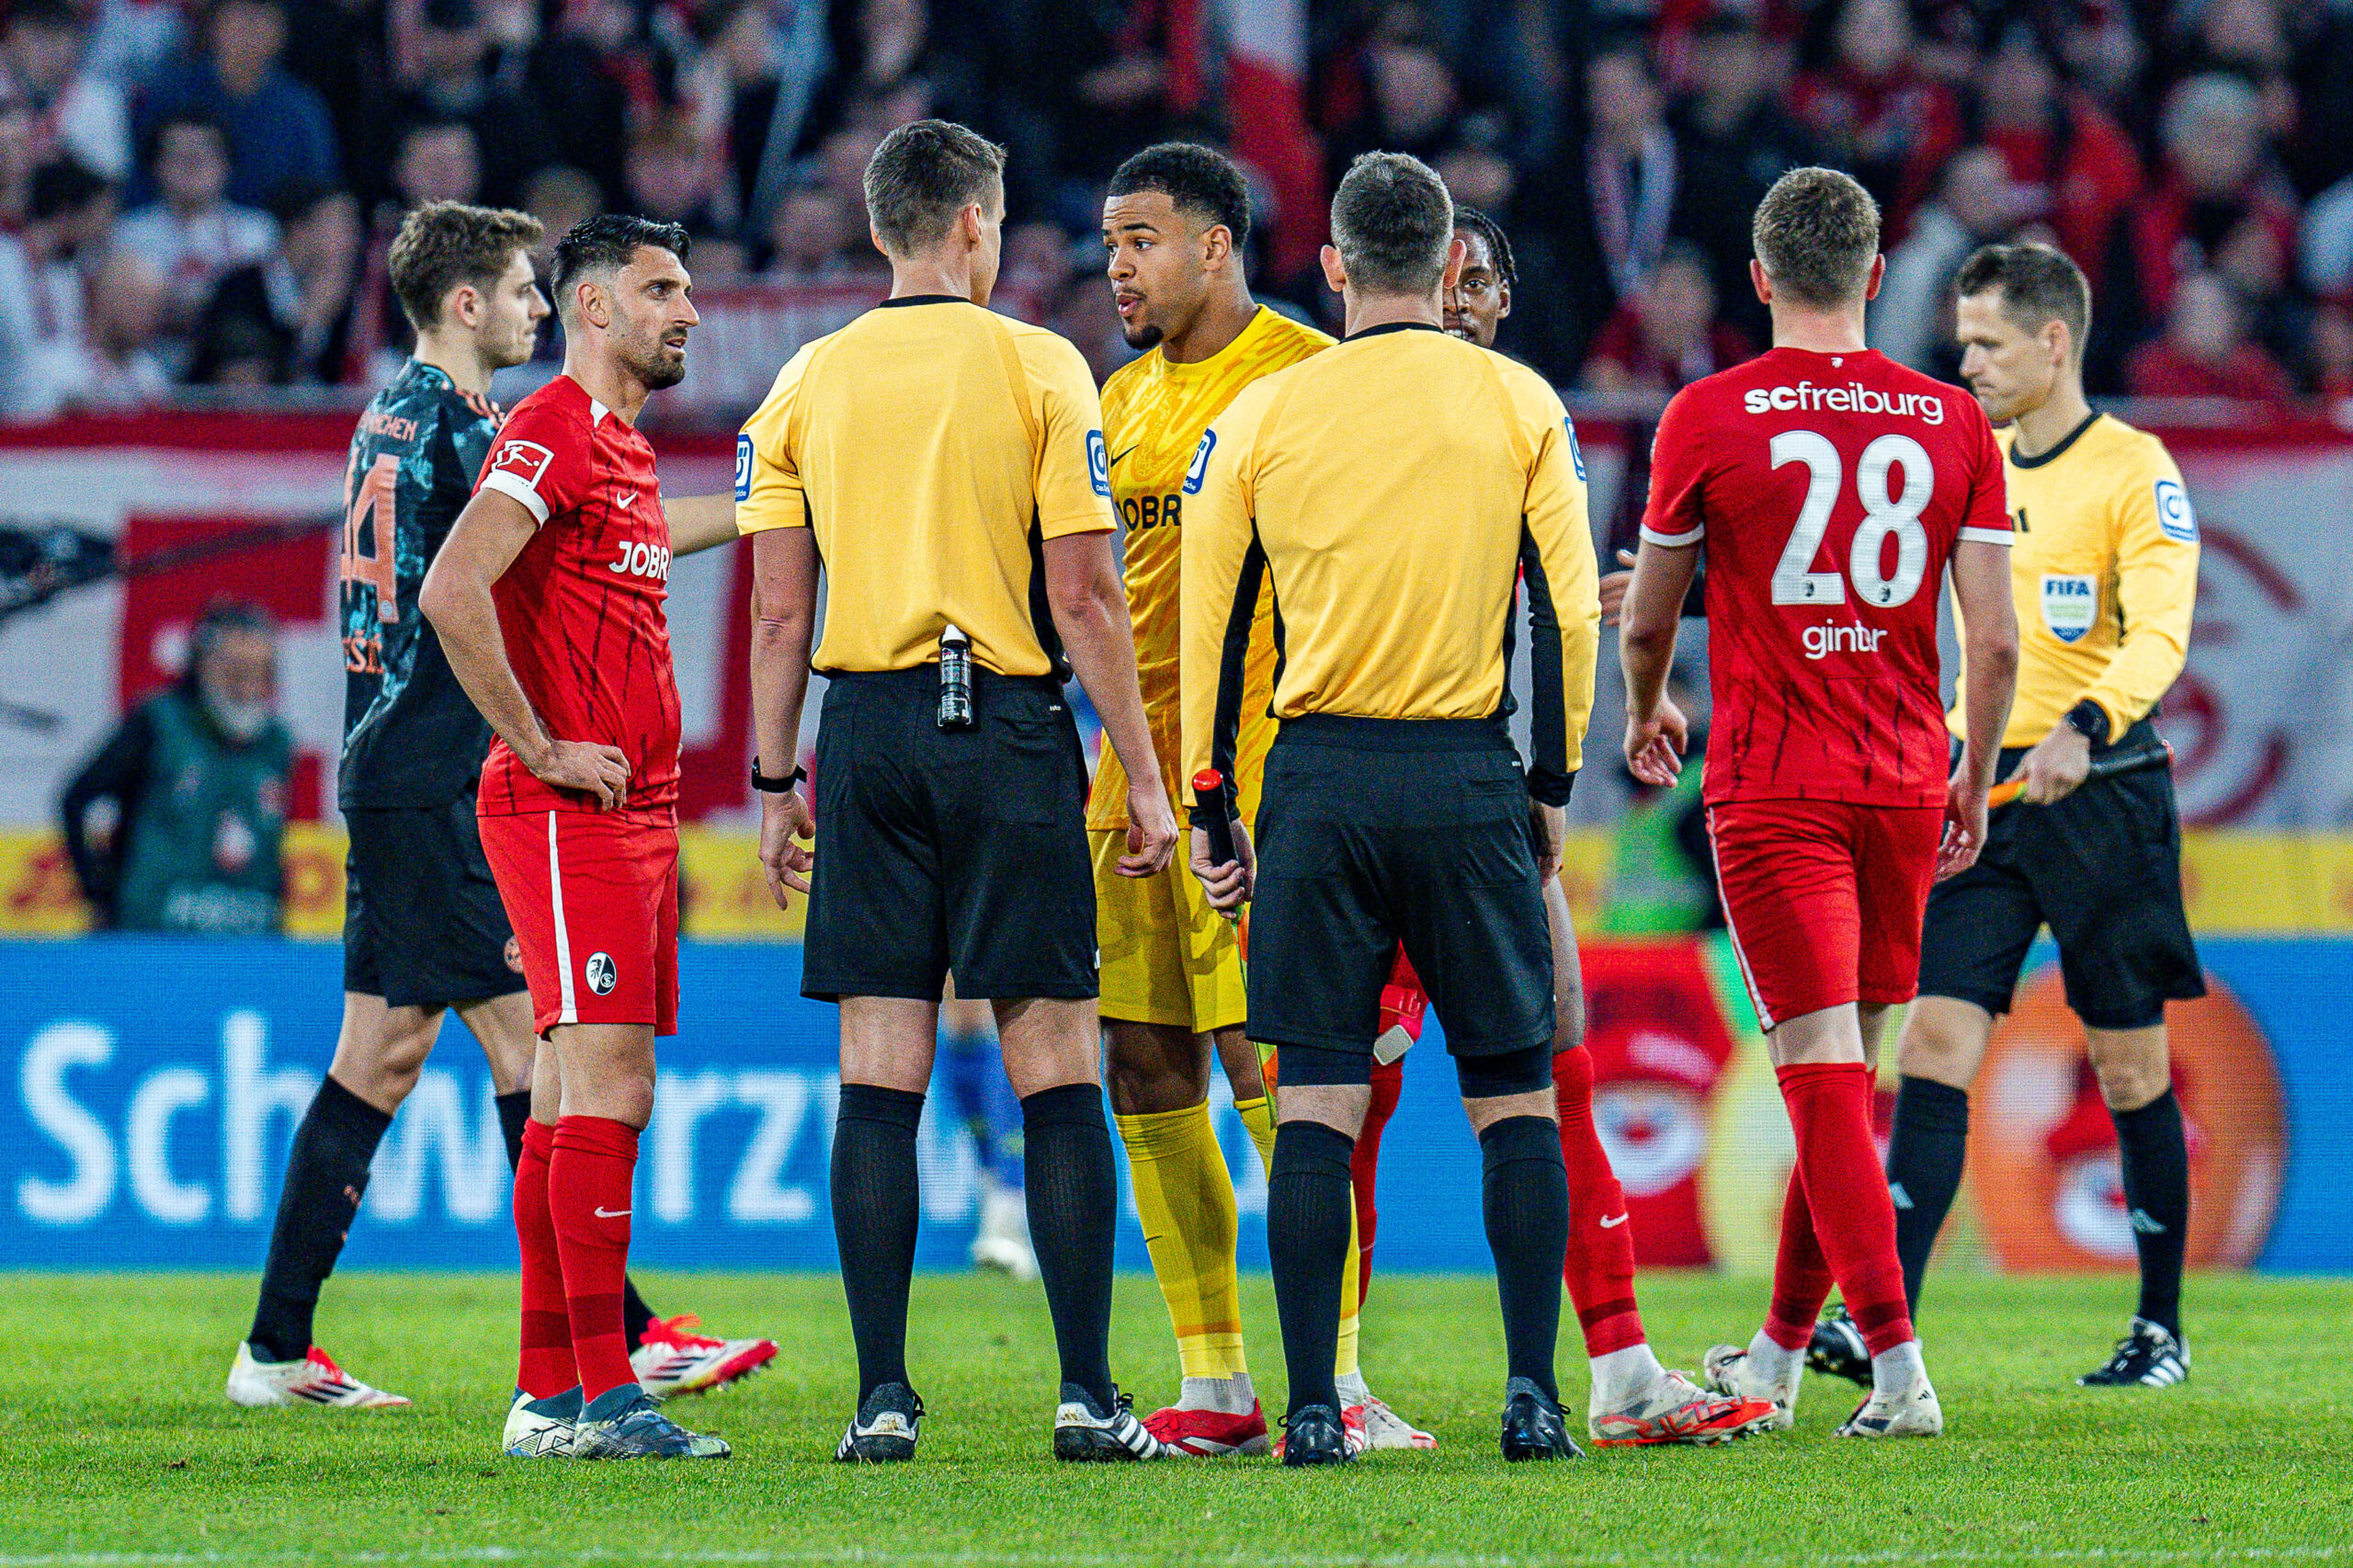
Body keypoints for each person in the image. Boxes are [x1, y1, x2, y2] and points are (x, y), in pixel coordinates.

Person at [225, 202, 771, 1418]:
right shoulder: (491, 431)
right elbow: (493, 575)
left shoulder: (384, 414)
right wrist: (535, 737)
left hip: (387, 754)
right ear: (464, 305)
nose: (535, 308)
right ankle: (606, 1344)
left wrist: (755, 505)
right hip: (439, 767)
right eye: (523, 291)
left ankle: (275, 1344)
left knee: (382, 1052)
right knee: (548, 1047)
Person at [736, 119, 1178, 1465]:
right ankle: (1089, 1396)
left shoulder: (803, 381)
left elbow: (772, 609)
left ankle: (880, 1393)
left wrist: (773, 778)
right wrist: (1146, 778)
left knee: (879, 1071)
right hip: (1008, 726)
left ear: (880, 230)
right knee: (1055, 1063)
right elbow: (1086, 594)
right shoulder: (1044, 365)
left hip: (864, 730)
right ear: (977, 224)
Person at [1181, 151, 1599, 1466]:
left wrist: (1209, 797)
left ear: (1336, 268)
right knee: (1515, 1093)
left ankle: (1312, 1404)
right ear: (1451, 270)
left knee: (1314, 1100)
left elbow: (1214, 620)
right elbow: (1568, 612)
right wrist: (1548, 782)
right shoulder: (1519, 400)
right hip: (1467, 771)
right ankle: (1533, 1394)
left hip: (1317, 778)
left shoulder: (1263, 413)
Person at [1358, 204, 1771, 1449]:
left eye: (1476, 279)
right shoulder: (1346, 417)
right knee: (1345, 1088)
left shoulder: (1528, 418)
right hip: (1367, 784)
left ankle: (1623, 1367)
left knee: (1558, 1047)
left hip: (1493, 793)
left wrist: (1620, 716)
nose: (1458, 297)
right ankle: (1326, 1380)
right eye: (1439, 277)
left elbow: (1555, 612)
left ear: (1501, 298)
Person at [1620, 166, 2019, 1440]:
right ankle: (1782, 1354)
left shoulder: (1708, 414)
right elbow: (1996, 642)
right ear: (1879, 277)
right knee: (1846, 1076)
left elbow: (1650, 613)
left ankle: (1899, 1373)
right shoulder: (1952, 419)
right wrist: (1974, 767)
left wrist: (1644, 707)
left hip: (1779, 783)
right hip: (1907, 775)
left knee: (1821, 1072)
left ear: (1757, 277)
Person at [1087, 141, 1430, 1459]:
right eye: (1111, 241)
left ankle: (1334, 1379)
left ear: (1216, 243)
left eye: (1143, 237)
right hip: (1128, 785)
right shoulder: (1112, 400)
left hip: (1265, 790)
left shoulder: (1304, 378)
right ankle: (1218, 1379)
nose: (1119, 264)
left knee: (1281, 1072)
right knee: (1145, 1060)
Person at [1811, 243, 2202, 1392]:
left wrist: (2085, 720)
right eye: (1961, 340)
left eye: (1985, 341)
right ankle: (1885, 1329)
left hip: (2106, 789)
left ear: (2052, 341)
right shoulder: (1957, 459)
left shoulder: (2134, 468)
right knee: (1933, 1043)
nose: (1965, 361)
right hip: (1979, 790)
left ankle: (2158, 1327)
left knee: (2129, 1069)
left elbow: (2163, 629)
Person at [420, 212, 733, 1461]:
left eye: (690, 289)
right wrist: (543, 746)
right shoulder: (551, 425)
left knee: (564, 1098)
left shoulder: (621, 453)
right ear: (592, 306)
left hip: (629, 817)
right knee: (611, 1088)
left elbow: (662, 535)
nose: (689, 310)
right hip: (567, 809)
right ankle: (606, 1395)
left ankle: (548, 1392)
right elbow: (454, 586)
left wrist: (783, 494)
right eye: (662, 288)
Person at [61, 600, 290, 936]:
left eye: (260, 673)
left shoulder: (277, 742)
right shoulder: (158, 722)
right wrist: (99, 896)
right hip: (151, 938)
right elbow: (76, 799)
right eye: (235, 671)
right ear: (202, 664)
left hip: (249, 940)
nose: (248, 688)